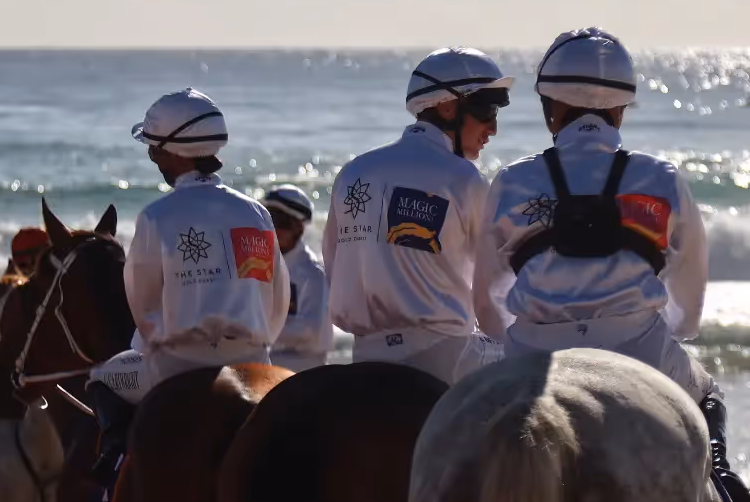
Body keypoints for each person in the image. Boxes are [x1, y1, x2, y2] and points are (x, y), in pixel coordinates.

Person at [476, 28, 750, 502]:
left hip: (531, 357)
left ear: (551, 108)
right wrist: (668, 328)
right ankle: (725, 488)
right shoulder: (661, 178)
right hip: (639, 350)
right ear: (620, 110)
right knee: (707, 390)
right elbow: (688, 296)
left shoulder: (512, 181)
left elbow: (486, 299)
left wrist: (519, 334)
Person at [320, 48, 510, 383]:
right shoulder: (464, 178)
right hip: (446, 358)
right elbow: (489, 295)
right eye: (487, 111)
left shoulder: (352, 173)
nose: (492, 128)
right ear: (448, 107)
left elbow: (334, 268)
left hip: (365, 355)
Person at [90, 89, 289, 406]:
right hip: (254, 364)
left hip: (176, 368)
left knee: (99, 379)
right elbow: (276, 300)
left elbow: (144, 309)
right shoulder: (256, 213)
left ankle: (117, 455)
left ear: (171, 152)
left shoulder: (156, 216)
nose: (153, 158)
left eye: (153, 150)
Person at [261, 183, 332, 371]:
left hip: (304, 372)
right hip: (265, 365)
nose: (273, 229)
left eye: (281, 222)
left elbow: (312, 333)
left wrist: (257, 328)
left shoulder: (313, 274)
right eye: (268, 221)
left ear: (298, 228)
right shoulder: (258, 267)